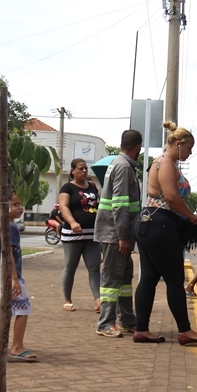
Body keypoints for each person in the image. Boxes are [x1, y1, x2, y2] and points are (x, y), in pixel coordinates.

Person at [131, 121, 197, 345]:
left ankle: (142, 329)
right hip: (160, 224)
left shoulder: (160, 162)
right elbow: (172, 196)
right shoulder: (166, 162)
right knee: (175, 279)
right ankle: (185, 331)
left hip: (148, 222)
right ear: (178, 144)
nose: (190, 152)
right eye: (189, 148)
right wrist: (192, 216)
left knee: (148, 278)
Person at [94, 129, 143, 338]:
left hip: (116, 232)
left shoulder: (117, 163)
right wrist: (123, 236)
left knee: (123, 278)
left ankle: (127, 320)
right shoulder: (123, 167)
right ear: (138, 148)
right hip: (116, 234)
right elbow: (120, 204)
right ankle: (105, 324)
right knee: (112, 278)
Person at [0, 192, 38, 364]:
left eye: (21, 204)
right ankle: (17, 346)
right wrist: (14, 278)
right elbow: (8, 253)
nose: (20, 208)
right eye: (15, 205)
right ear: (4, 207)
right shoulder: (10, 227)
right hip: (7, 275)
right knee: (23, 309)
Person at [58, 158, 101, 313]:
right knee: (71, 266)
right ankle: (67, 299)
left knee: (94, 267)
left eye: (85, 169)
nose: (84, 171)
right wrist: (72, 222)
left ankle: (98, 300)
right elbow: (63, 206)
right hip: (73, 234)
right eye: (80, 169)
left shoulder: (92, 186)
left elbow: (99, 205)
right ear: (73, 171)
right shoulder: (67, 187)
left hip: (92, 234)